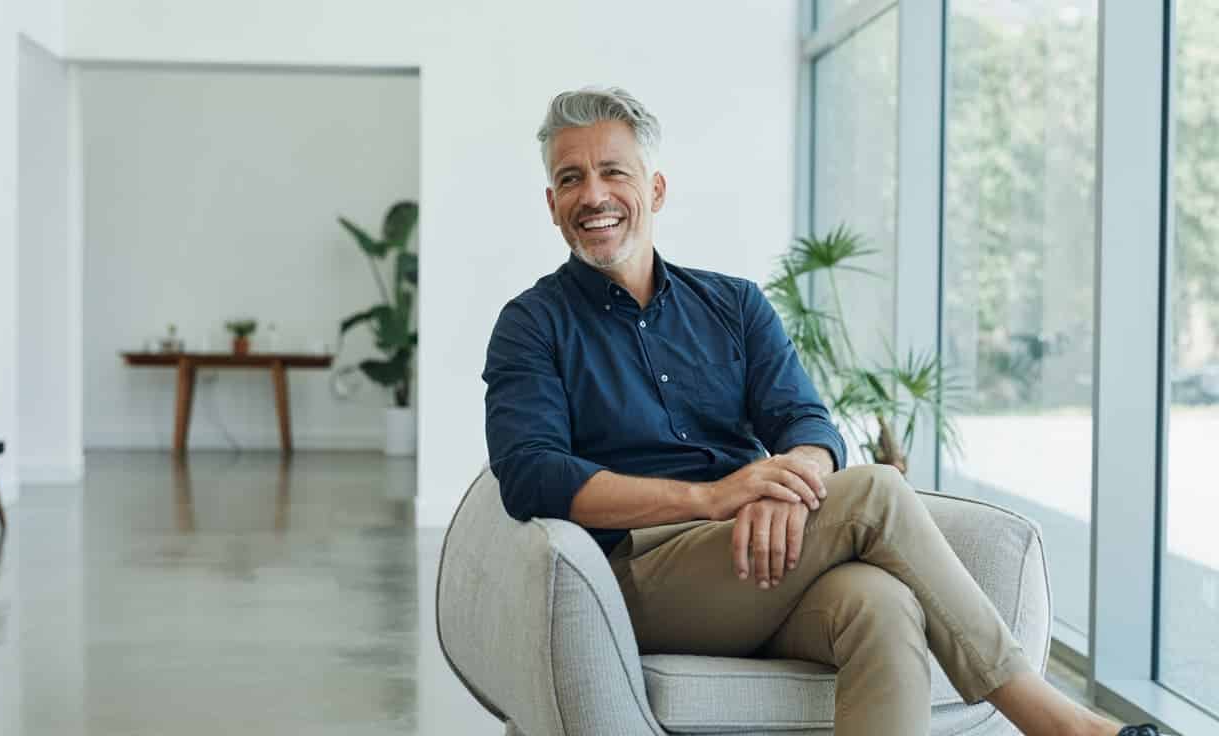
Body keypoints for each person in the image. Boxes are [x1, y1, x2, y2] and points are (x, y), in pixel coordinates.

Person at [482, 86, 1157, 736]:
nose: (593, 195)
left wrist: (789, 485)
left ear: (655, 189)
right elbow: (532, 474)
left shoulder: (735, 305)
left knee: (882, 605)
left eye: (612, 172)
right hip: (640, 578)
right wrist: (713, 496)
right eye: (571, 179)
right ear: (551, 203)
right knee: (877, 490)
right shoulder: (532, 324)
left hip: (757, 558)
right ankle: (1057, 722)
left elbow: (805, 422)